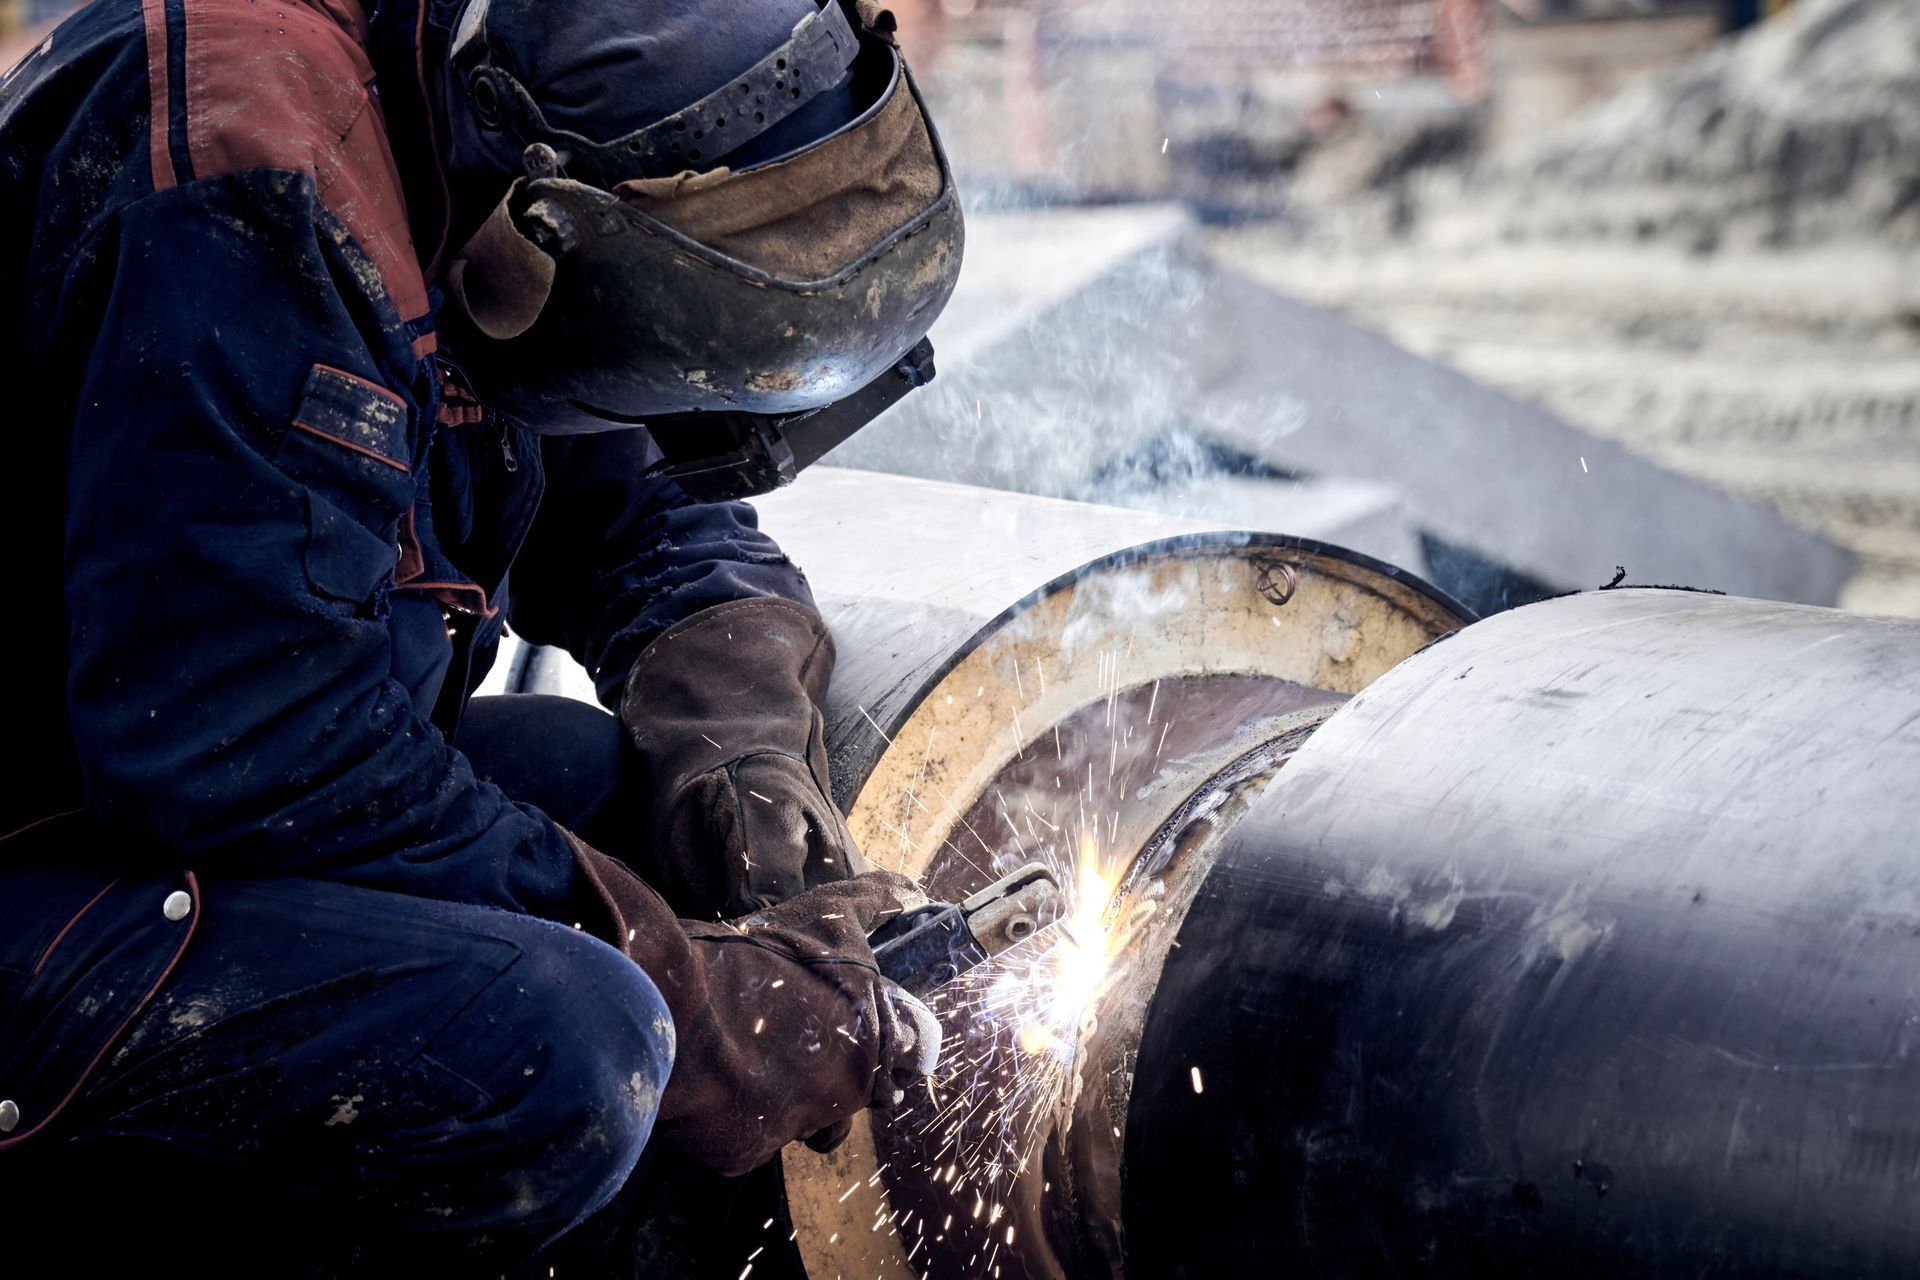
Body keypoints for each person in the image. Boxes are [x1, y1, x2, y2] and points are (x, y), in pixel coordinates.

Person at [0, 0, 961, 1267]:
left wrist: (743, 747)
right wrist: (693, 985)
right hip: (55, 848)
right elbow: (250, 744)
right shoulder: (260, 179)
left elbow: (635, 509)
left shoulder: (497, 144)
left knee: (608, 788)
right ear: (537, 227)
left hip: (164, 796)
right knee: (568, 1044)